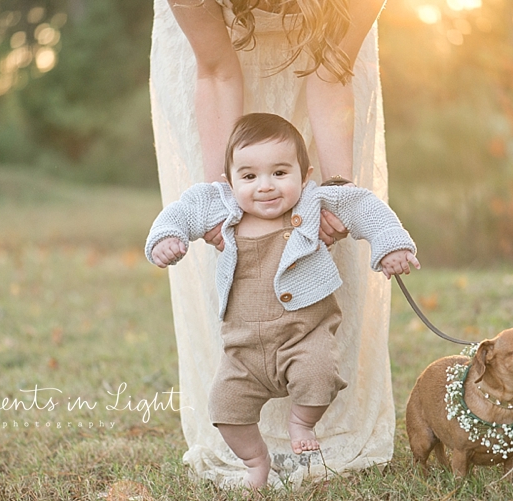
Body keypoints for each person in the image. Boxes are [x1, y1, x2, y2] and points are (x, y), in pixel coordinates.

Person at [150, 0, 393, 488]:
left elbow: (332, 72)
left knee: (322, 247)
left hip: (328, 79)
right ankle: (246, 442)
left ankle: (322, 424)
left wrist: (339, 191)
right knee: (236, 256)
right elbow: (217, 71)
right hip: (216, 82)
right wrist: (219, 196)